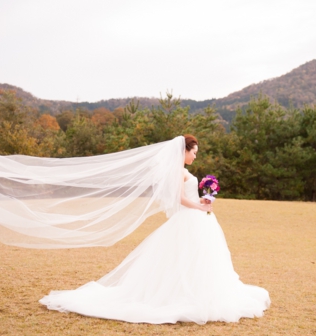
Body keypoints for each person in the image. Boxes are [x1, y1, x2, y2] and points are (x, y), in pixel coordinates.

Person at [39, 135, 270, 324]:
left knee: (199, 259)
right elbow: (179, 199)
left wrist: (205, 199)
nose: (196, 155)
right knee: (187, 257)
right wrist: (200, 206)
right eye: (194, 151)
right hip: (190, 217)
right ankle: (184, 295)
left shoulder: (183, 170)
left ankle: (199, 293)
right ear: (184, 151)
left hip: (197, 218)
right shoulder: (178, 171)